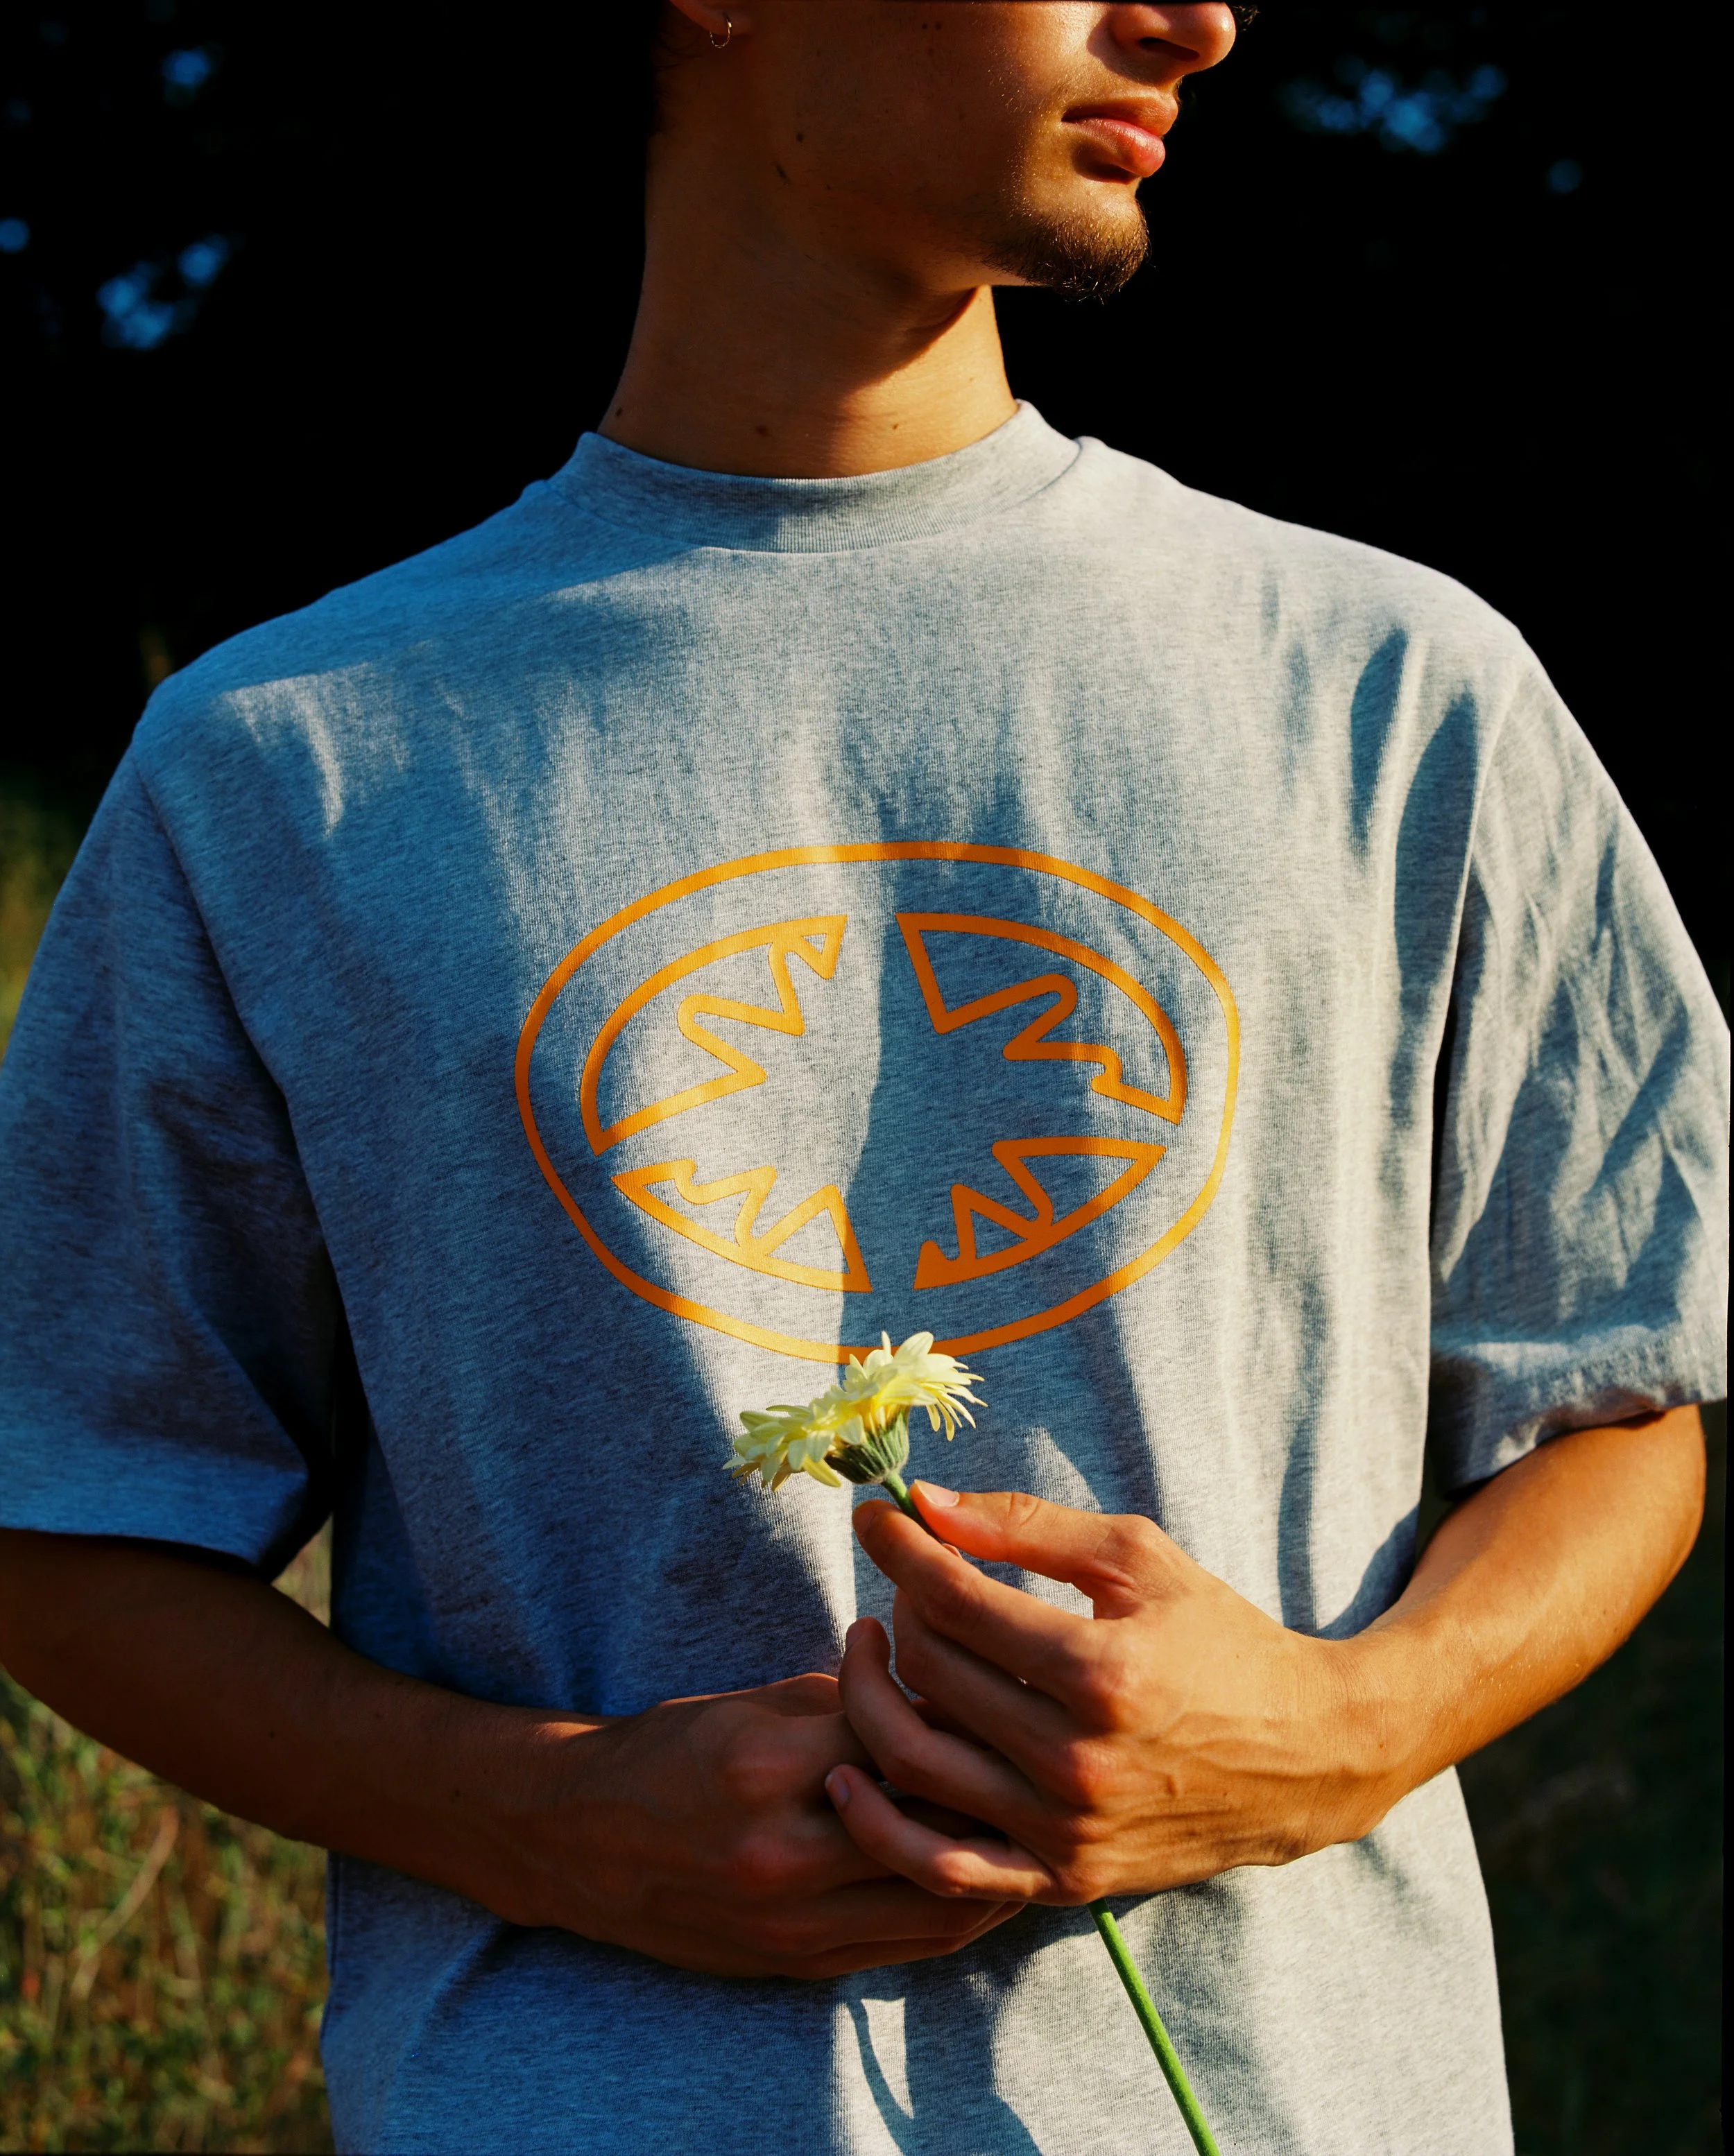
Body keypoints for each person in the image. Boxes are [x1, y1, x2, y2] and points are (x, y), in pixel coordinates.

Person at [0, 5, 1724, 2151]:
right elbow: (70, 1516)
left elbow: (1613, 1396)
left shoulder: (1394, 688)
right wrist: (540, 1821)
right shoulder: (289, 762)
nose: (1189, 16)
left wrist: (1339, 1727)